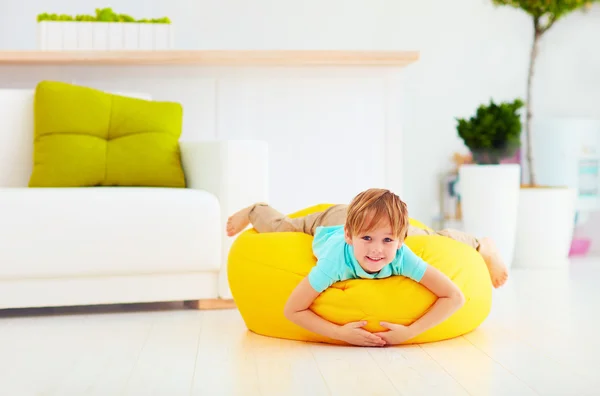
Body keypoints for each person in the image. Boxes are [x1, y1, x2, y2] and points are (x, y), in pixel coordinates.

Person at [226, 188, 508, 347]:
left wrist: (409, 333)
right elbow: (292, 309)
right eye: (367, 239)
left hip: (371, 224)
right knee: (283, 227)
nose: (376, 250)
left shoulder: (400, 254)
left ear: (400, 241)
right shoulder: (335, 261)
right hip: (331, 220)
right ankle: (255, 209)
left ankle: (482, 245)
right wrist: (339, 333)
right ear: (350, 237)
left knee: (434, 236)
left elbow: (455, 297)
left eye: (387, 240)